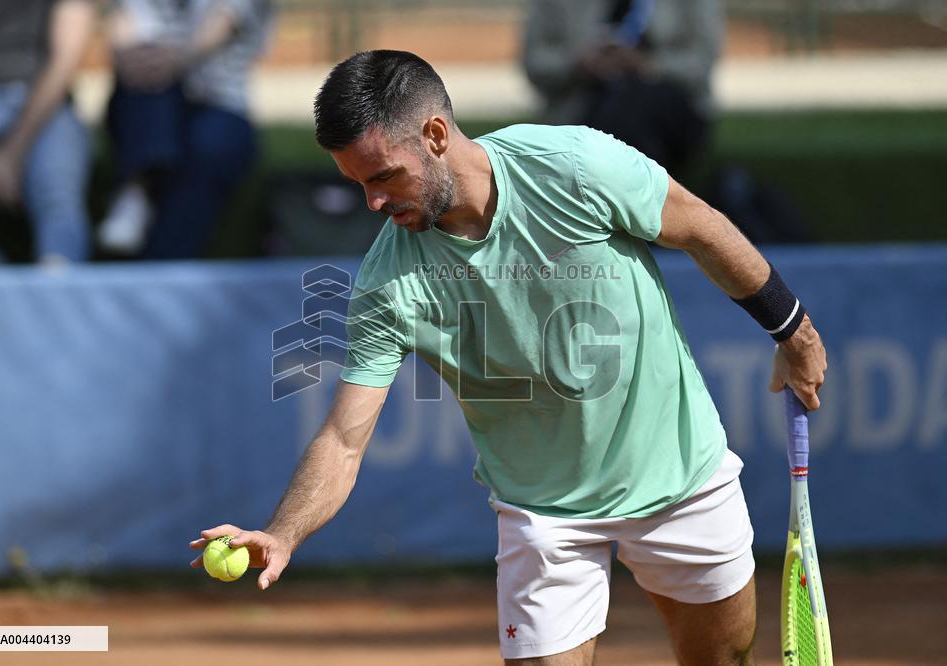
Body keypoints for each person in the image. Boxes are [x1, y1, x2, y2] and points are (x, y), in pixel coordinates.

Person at [189, 51, 827, 665]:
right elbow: (343, 440)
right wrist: (283, 532)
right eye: (357, 184)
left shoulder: (573, 166)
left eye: (382, 176)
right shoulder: (387, 281)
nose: (372, 204)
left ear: (436, 134)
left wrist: (792, 331)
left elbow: (703, 226)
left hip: (680, 477)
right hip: (543, 513)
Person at [97, 0, 273, 259]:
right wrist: (129, 58)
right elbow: (125, 24)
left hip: (220, 105)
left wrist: (174, 59)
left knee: (210, 147)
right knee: (147, 83)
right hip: (153, 97)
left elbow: (221, 25)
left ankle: (160, 257)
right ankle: (136, 192)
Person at [0, 0, 95, 265]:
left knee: (58, 196)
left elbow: (64, 63)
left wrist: (11, 155)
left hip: (47, 108)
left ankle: (57, 287)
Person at [523, 0, 722, 177]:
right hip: (584, 101)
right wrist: (577, 64)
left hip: (666, 102)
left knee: (630, 110)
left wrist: (647, 65)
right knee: (617, 117)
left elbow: (701, 61)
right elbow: (535, 62)